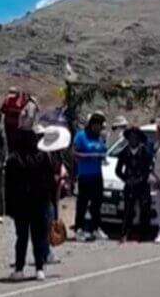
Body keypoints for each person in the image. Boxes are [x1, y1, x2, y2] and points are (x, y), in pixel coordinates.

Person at [5, 129, 56, 281]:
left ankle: (19, 269)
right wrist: (49, 201)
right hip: (39, 203)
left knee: (21, 237)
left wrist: (9, 207)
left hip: (20, 204)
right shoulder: (42, 157)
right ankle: (39, 269)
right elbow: (50, 182)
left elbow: (8, 186)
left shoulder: (13, 159)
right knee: (38, 237)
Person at [37, 125, 71, 264]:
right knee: (46, 224)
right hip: (43, 195)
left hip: (52, 194)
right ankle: (45, 253)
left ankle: (46, 252)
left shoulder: (55, 156)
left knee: (50, 222)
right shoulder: (42, 156)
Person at [73, 112, 107, 242]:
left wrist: (101, 155)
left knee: (97, 203)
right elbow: (74, 152)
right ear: (92, 124)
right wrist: (87, 157)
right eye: (97, 125)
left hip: (97, 175)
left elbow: (103, 150)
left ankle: (95, 228)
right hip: (85, 175)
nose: (99, 128)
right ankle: (79, 228)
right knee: (82, 203)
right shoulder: (81, 136)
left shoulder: (99, 138)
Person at [115, 126, 152, 243]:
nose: (133, 140)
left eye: (135, 137)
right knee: (128, 210)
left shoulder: (144, 151)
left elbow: (148, 169)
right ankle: (125, 233)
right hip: (129, 185)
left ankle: (144, 234)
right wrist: (125, 179)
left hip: (142, 185)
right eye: (130, 137)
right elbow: (118, 170)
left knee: (144, 209)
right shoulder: (124, 152)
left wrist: (141, 179)